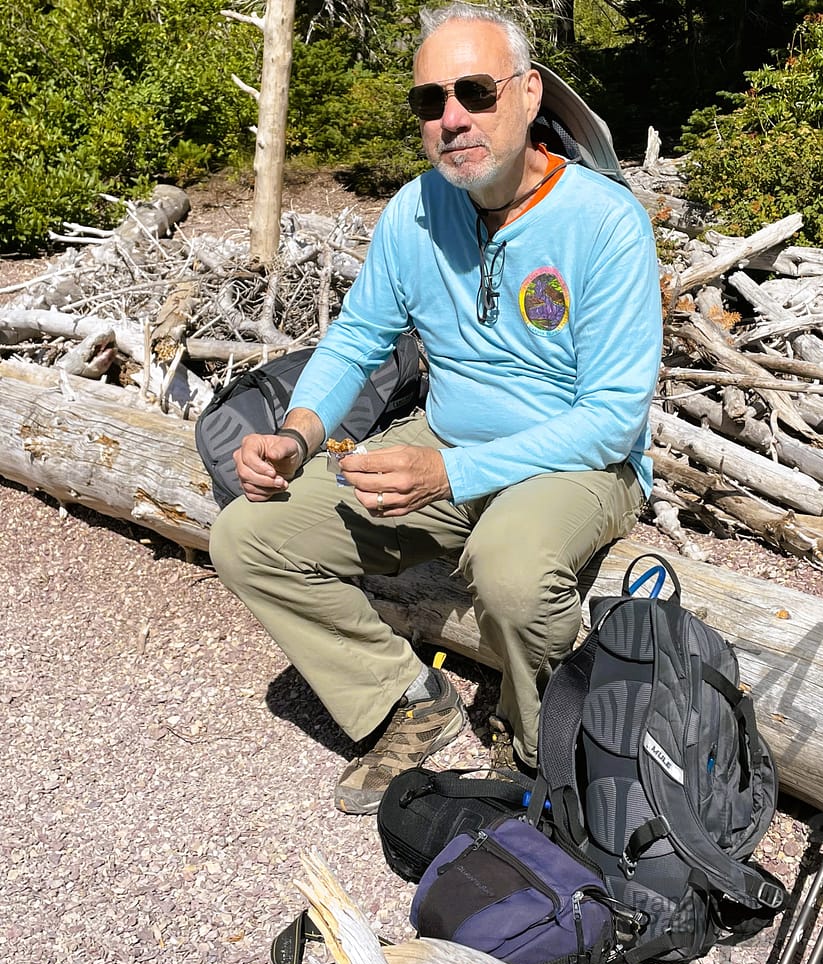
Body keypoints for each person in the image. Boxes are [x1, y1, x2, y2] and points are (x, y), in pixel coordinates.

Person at [209, 1, 663, 814]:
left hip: (578, 461)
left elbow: (614, 417)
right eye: (431, 101)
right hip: (447, 440)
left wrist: (451, 472)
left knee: (513, 572)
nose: (453, 118)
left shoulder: (604, 222)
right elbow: (353, 342)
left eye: (476, 91)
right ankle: (406, 702)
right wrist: (296, 433)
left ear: (528, 94)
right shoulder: (416, 212)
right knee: (249, 534)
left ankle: (535, 752)